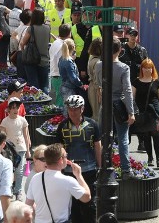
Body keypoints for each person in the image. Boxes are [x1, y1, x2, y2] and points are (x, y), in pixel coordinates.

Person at [56, 94, 100, 223]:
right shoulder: (62, 126)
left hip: (89, 169)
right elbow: (59, 148)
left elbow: (97, 145)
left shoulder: (92, 124)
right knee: (73, 205)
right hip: (69, 171)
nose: (72, 112)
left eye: (75, 109)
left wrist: (100, 165)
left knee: (90, 204)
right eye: (70, 109)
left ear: (82, 109)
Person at [94, 37, 134, 173]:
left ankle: (102, 165)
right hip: (119, 105)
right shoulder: (124, 68)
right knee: (122, 137)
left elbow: (98, 83)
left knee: (101, 136)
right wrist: (131, 112)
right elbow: (127, 90)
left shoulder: (99, 65)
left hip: (105, 104)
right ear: (120, 51)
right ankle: (125, 169)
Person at [26, 143, 92, 223]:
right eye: (66, 156)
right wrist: (79, 176)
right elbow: (86, 197)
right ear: (61, 160)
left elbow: (28, 205)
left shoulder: (35, 178)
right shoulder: (68, 181)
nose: (67, 159)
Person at [132, 58, 159, 168]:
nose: (147, 70)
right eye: (145, 68)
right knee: (146, 135)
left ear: (152, 69)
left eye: (149, 68)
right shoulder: (136, 82)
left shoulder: (156, 83)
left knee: (155, 134)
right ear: (141, 69)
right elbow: (132, 98)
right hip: (142, 113)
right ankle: (150, 158)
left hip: (154, 112)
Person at [0, 96, 30, 199]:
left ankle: (18, 191)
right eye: (13, 108)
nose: (15, 110)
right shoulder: (5, 121)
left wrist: (28, 151)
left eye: (17, 107)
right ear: (8, 109)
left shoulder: (22, 121)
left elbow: (26, 136)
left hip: (21, 147)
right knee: (10, 169)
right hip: (9, 149)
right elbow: (2, 136)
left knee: (20, 170)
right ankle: (10, 189)